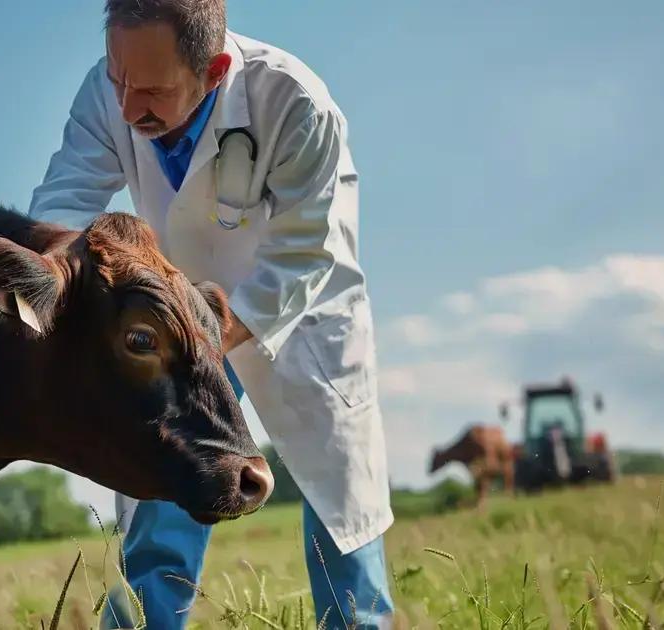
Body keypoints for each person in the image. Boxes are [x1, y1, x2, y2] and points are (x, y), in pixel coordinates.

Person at [27, 1, 394, 627]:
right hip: (180, 316)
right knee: (163, 487)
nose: (126, 103)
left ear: (215, 68)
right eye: (118, 78)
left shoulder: (293, 102)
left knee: (340, 510)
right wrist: (47, 287)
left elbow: (308, 250)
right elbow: (63, 201)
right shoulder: (110, 88)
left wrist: (210, 331)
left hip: (298, 318)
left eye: (151, 89)